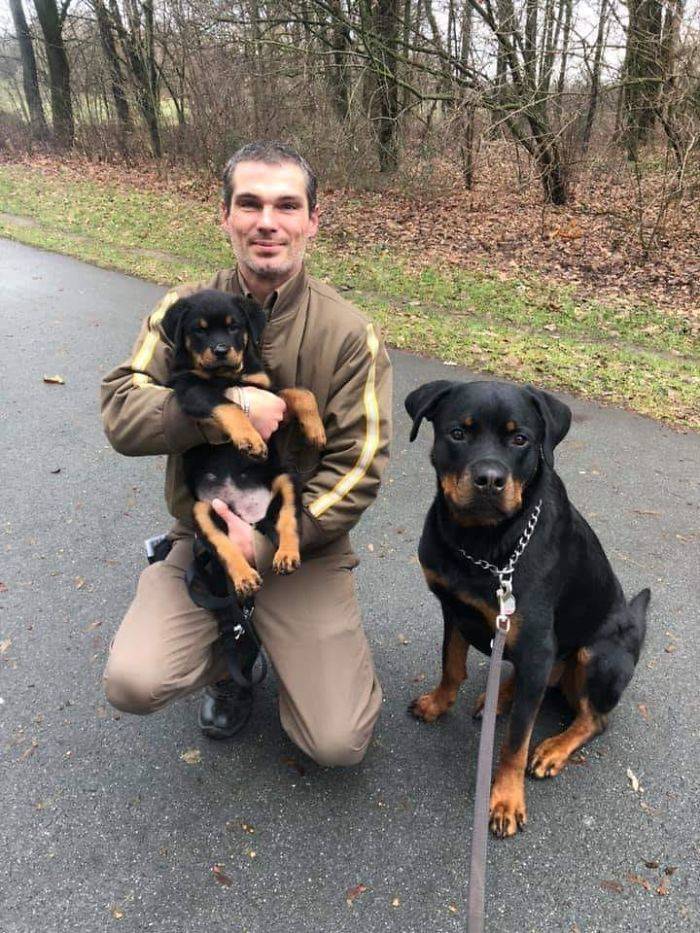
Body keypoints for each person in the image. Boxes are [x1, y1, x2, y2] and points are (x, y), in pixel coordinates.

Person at [100, 141, 392, 767]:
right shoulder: (179, 312)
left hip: (301, 540)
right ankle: (231, 663)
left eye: (287, 205)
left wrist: (273, 539)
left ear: (313, 219)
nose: (267, 221)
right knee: (134, 680)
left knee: (337, 743)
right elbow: (122, 413)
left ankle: (290, 639)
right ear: (227, 216)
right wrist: (223, 411)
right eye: (250, 203)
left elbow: (361, 468)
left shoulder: (348, 332)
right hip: (206, 530)